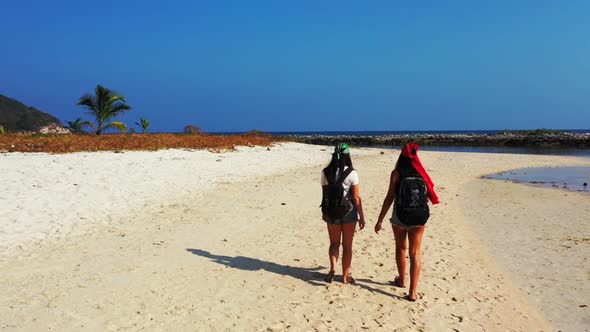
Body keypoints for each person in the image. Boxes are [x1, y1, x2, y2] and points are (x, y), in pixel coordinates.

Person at [374, 142, 439, 301]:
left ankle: (402, 280)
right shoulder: (421, 173)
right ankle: (413, 292)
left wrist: (380, 219)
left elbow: (390, 197)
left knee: (401, 248)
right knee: (415, 253)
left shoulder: (396, 173)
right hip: (419, 217)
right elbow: (429, 193)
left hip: (400, 215)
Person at [320, 143, 366, 284]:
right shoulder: (352, 173)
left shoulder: (325, 172)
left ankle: (333, 269)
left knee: (334, 243)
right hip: (348, 213)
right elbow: (356, 197)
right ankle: (346, 276)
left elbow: (324, 193)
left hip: (331, 211)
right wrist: (361, 216)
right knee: (347, 245)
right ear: (348, 155)